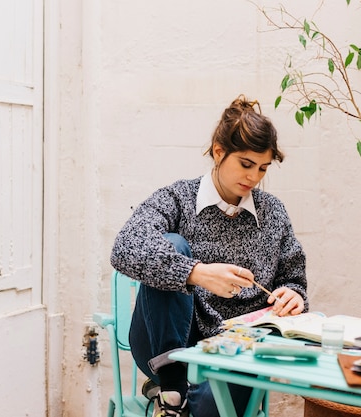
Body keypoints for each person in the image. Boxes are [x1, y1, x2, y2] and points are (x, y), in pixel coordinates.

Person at [110, 95, 308, 417]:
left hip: (234, 352)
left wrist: (293, 295)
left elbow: (293, 277)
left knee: (213, 405)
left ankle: (177, 402)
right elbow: (125, 247)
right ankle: (172, 388)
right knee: (172, 244)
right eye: (246, 164)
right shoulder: (177, 198)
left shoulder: (273, 213)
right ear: (219, 151)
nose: (254, 177)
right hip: (166, 343)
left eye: (262, 168)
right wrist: (196, 273)